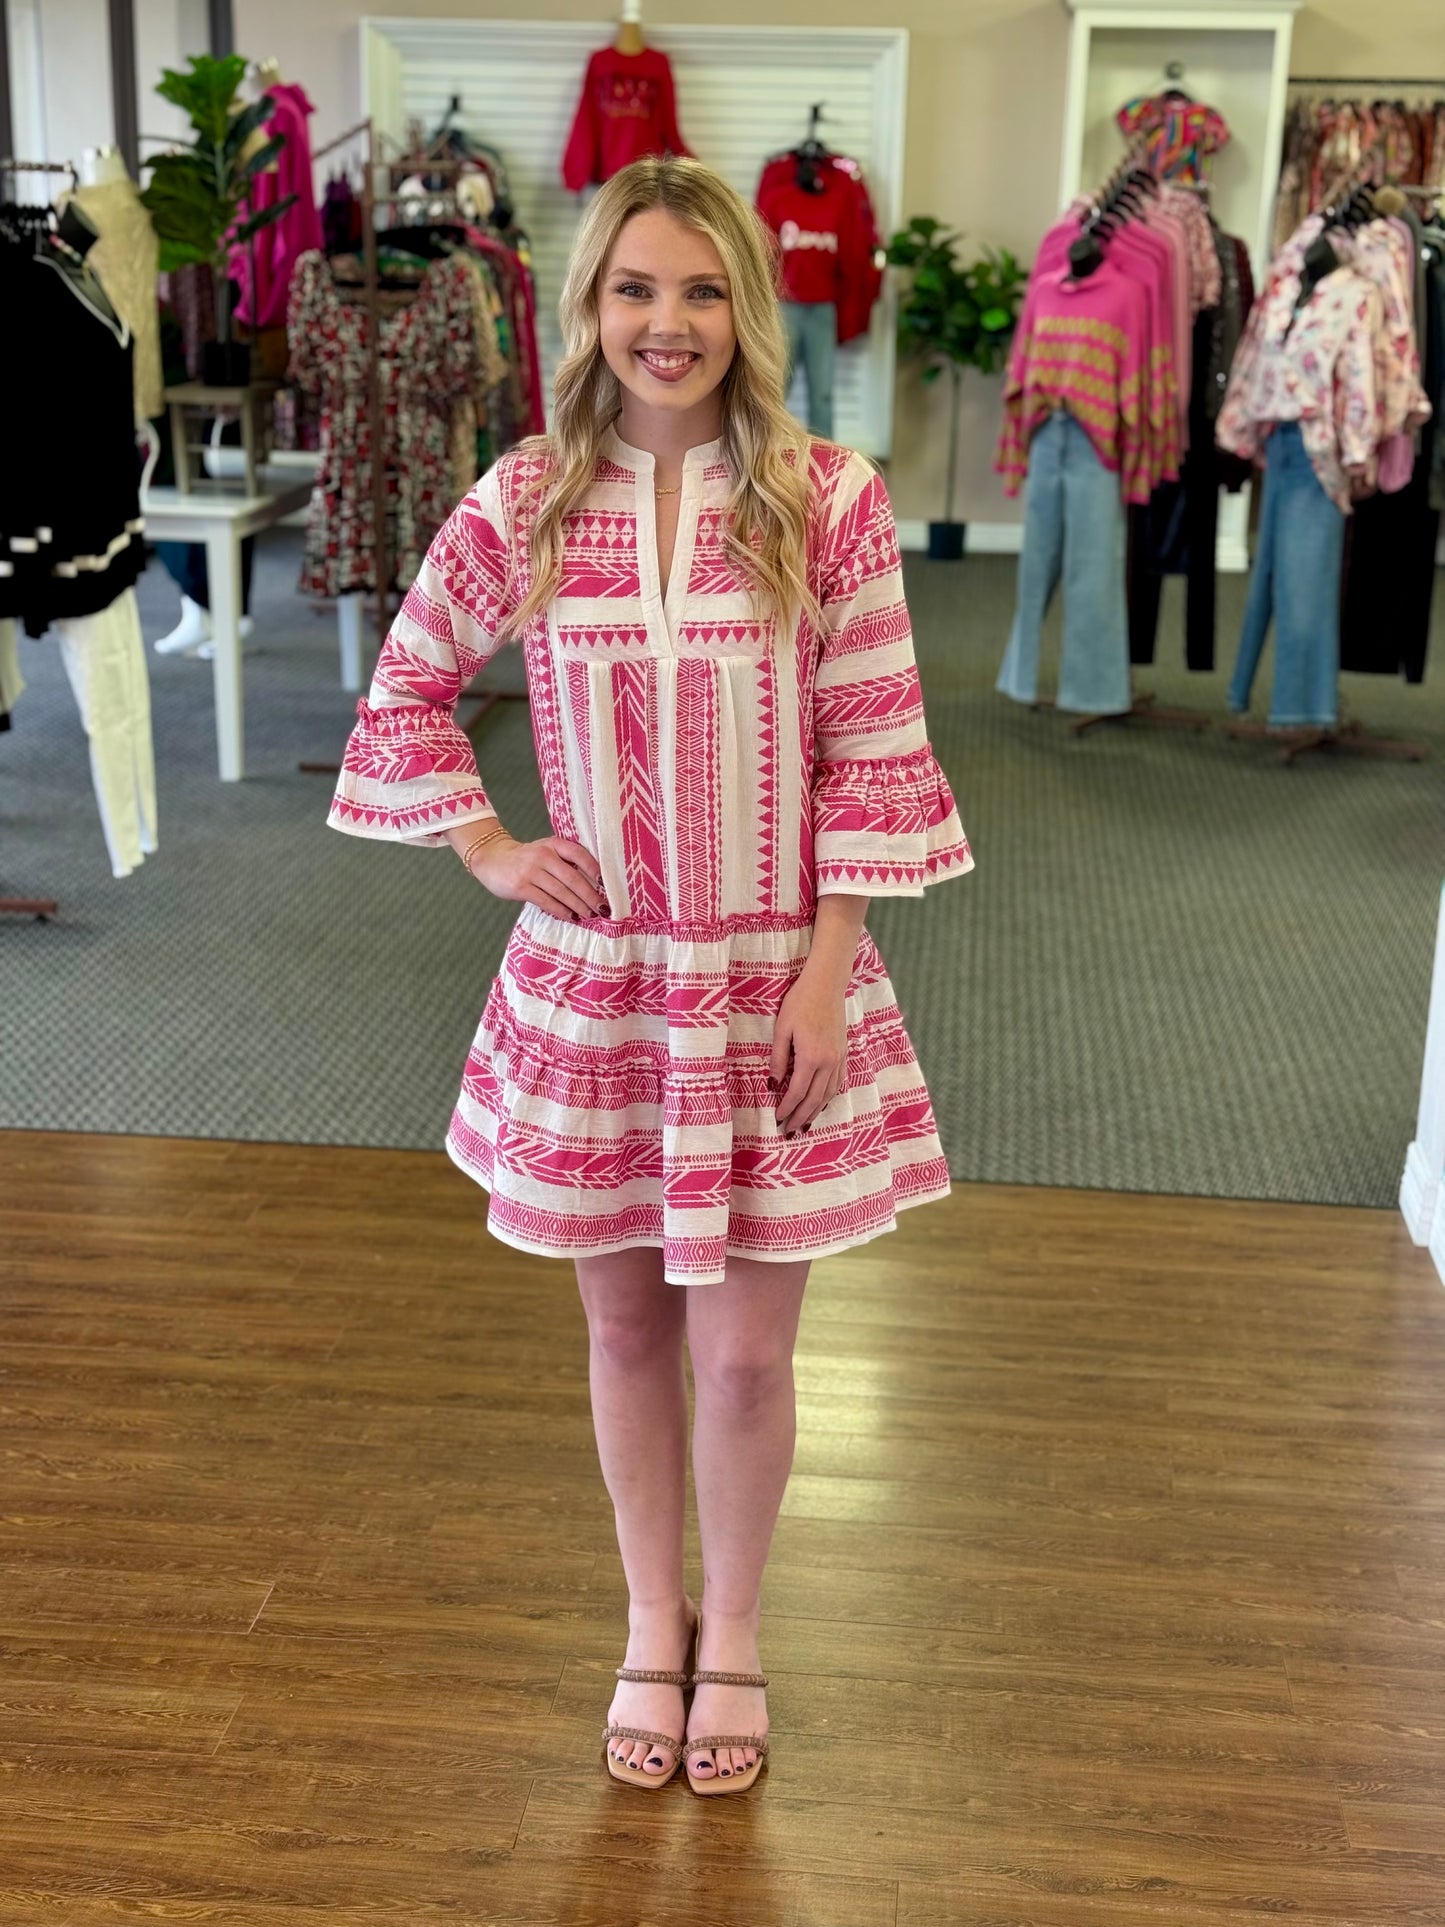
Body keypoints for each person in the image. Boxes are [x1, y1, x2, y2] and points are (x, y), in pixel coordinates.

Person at [327, 156, 974, 1796]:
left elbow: (872, 741)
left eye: (699, 289)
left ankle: (733, 1631)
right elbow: (406, 687)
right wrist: (487, 846)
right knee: (624, 1337)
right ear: (589, 306)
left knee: (745, 1354)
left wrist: (829, 968)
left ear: (744, 308)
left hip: (773, 986)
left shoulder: (825, 497)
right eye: (634, 288)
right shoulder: (530, 496)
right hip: (597, 988)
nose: (665, 322)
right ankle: (647, 1621)